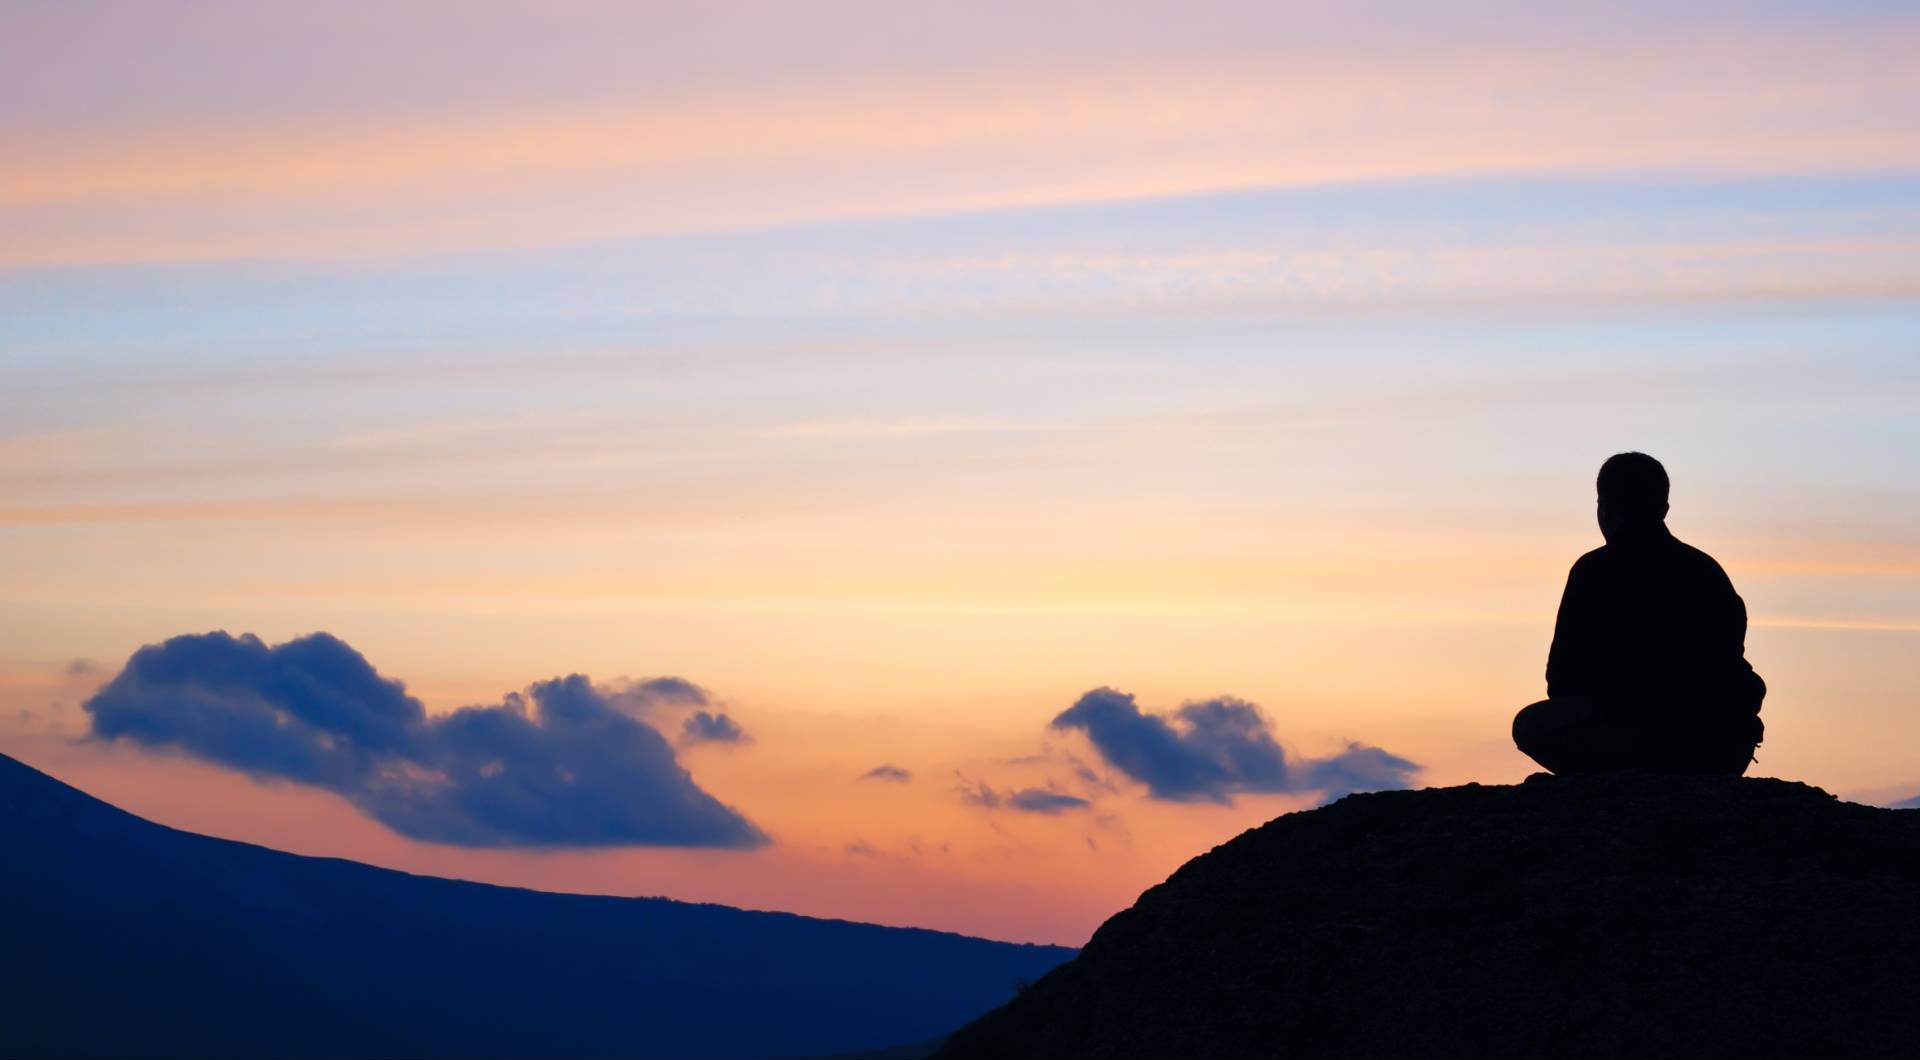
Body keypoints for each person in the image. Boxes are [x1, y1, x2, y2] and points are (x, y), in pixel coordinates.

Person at [1513, 452, 1765, 775]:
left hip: (1642, 738)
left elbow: (1560, 681)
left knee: (1528, 725)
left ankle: (1619, 775)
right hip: (1721, 747)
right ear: (1664, 508)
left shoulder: (1593, 571)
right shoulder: (1706, 571)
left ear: (1603, 507)